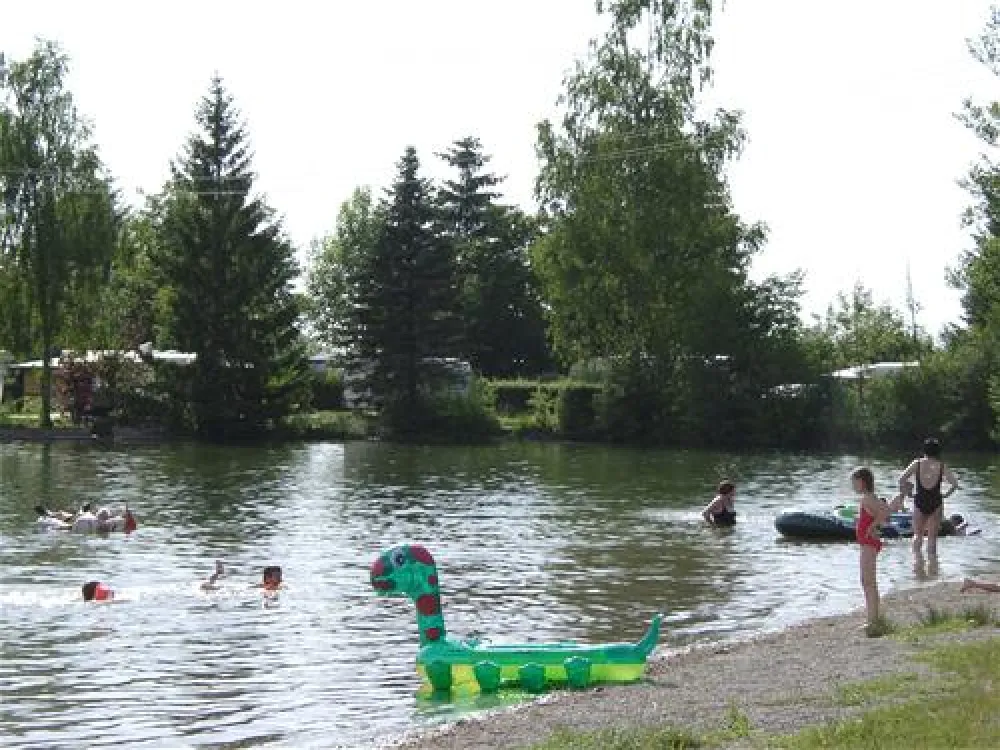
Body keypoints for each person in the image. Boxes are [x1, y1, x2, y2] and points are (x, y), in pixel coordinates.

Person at [898, 438, 959, 559]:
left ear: (924, 450)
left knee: (917, 535)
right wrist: (946, 495)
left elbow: (901, 479)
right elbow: (954, 484)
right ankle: (932, 565)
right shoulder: (942, 466)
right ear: (938, 451)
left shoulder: (917, 463)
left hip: (920, 500)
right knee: (932, 538)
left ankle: (916, 563)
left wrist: (908, 493)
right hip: (936, 501)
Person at [853, 467, 891, 633]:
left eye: (854, 483)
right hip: (867, 543)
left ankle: (873, 621)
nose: (853, 486)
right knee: (867, 581)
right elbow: (882, 512)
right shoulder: (868, 498)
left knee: (868, 582)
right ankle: (873, 619)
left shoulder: (867, 498)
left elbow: (885, 511)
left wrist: (872, 526)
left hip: (869, 543)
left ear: (862, 482)